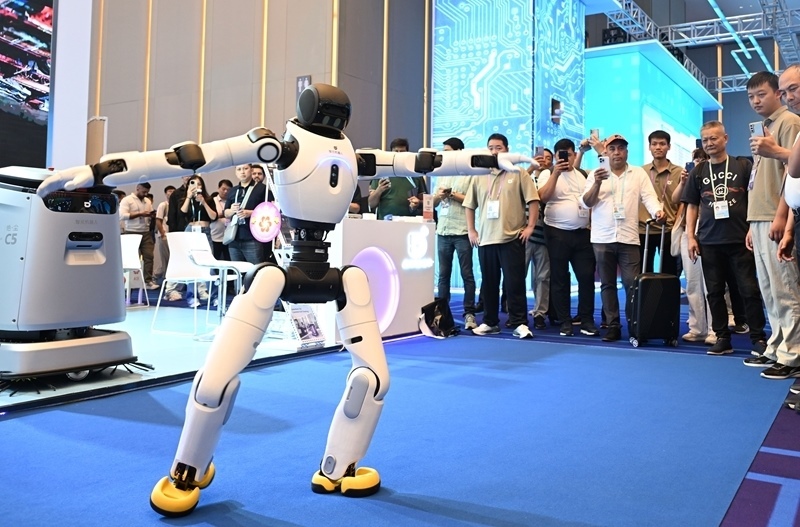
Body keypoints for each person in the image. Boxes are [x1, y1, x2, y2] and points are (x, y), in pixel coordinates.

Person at [682, 120, 767, 355]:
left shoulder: (742, 165)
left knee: (749, 290)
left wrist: (752, 227)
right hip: (709, 241)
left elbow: (754, 196)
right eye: (705, 140)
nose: (709, 143)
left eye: (714, 138)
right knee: (714, 292)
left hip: (740, 240)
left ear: (725, 139)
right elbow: (692, 206)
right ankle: (722, 338)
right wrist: (691, 237)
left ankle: (758, 338)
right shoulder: (698, 171)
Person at [581, 134, 664, 342]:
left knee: (632, 284)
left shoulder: (638, 173)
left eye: (621, 148)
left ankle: (634, 324)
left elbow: (649, 197)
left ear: (627, 152)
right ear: (606, 152)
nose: (617, 152)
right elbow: (587, 202)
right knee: (607, 284)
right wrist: (597, 183)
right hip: (602, 237)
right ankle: (613, 325)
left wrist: (657, 211)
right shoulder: (596, 174)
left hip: (628, 237)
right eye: (612, 149)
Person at [464, 133, 539, 339]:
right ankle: (490, 322)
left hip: (512, 238)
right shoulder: (479, 175)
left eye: (498, 147)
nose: (494, 151)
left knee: (514, 283)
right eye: (490, 148)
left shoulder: (518, 172)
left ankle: (519, 323)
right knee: (489, 284)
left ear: (507, 149)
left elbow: (533, 201)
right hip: (486, 238)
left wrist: (530, 227)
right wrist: (471, 230)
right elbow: (469, 205)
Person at [537, 138, 598, 337]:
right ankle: (564, 321)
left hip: (582, 233)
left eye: (569, 155)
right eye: (561, 155)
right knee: (560, 278)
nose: (566, 158)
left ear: (574, 155)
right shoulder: (547, 173)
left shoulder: (582, 174)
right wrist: (556, 173)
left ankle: (586, 320)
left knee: (586, 277)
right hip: (556, 232)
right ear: (556, 157)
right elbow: (543, 197)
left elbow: (590, 200)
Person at [671, 149, 715, 344]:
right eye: (695, 160)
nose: (698, 163)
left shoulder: (715, 176)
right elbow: (676, 200)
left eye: (702, 159)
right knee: (692, 283)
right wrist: (683, 182)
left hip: (711, 232)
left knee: (712, 285)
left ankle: (715, 329)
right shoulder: (690, 178)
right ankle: (697, 328)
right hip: (688, 232)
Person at [433, 136, 477, 330]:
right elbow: (435, 202)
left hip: (462, 231)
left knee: (467, 274)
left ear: (459, 152)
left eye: (448, 151)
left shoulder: (469, 173)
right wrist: (438, 196)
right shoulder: (442, 173)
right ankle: (442, 313)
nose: (444, 155)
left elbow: (472, 200)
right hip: (443, 230)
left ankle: (469, 313)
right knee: (443, 276)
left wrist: (451, 194)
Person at [639, 130, 682, 275]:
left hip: (668, 229)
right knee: (644, 273)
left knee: (669, 273)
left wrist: (677, 224)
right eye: (654, 144)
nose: (658, 147)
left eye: (662, 144)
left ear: (669, 146)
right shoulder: (641, 172)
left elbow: (683, 202)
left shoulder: (679, 172)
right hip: (644, 229)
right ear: (649, 147)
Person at [368, 137, 428, 219]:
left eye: (402, 152)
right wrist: (379, 190)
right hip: (385, 221)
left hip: (410, 222)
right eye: (396, 151)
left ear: (407, 153)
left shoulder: (415, 174)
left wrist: (418, 203)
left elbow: (426, 203)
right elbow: (371, 204)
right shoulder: (381, 173)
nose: (399, 155)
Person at [224, 163, 267, 264]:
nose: (242, 172)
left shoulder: (262, 189)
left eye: (245, 168)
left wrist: (251, 213)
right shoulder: (233, 190)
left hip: (252, 238)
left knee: (255, 269)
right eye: (239, 169)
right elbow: (225, 213)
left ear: (251, 170)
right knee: (237, 270)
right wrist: (232, 210)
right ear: (235, 172)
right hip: (233, 238)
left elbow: (270, 211)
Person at [119, 182, 158, 290]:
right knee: (131, 259)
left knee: (149, 256)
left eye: (147, 192)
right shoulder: (127, 200)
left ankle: (148, 281)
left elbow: (148, 213)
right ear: (137, 188)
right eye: (143, 191)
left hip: (146, 232)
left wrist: (151, 215)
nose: (145, 194)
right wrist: (140, 214)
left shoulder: (147, 201)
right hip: (131, 231)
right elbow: (122, 215)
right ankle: (129, 282)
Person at [153, 185, 175, 281]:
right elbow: (158, 220)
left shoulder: (176, 205)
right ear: (165, 193)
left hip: (173, 236)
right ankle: (166, 278)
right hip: (165, 235)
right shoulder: (163, 205)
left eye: (173, 191)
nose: (171, 193)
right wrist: (162, 233)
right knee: (165, 259)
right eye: (169, 191)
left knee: (172, 258)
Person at [210, 179, 232, 262]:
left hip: (229, 237)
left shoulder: (232, 201)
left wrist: (220, 214)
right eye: (223, 189)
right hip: (215, 237)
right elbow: (212, 216)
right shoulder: (212, 200)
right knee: (215, 261)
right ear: (218, 188)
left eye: (228, 190)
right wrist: (225, 213)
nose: (226, 191)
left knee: (229, 261)